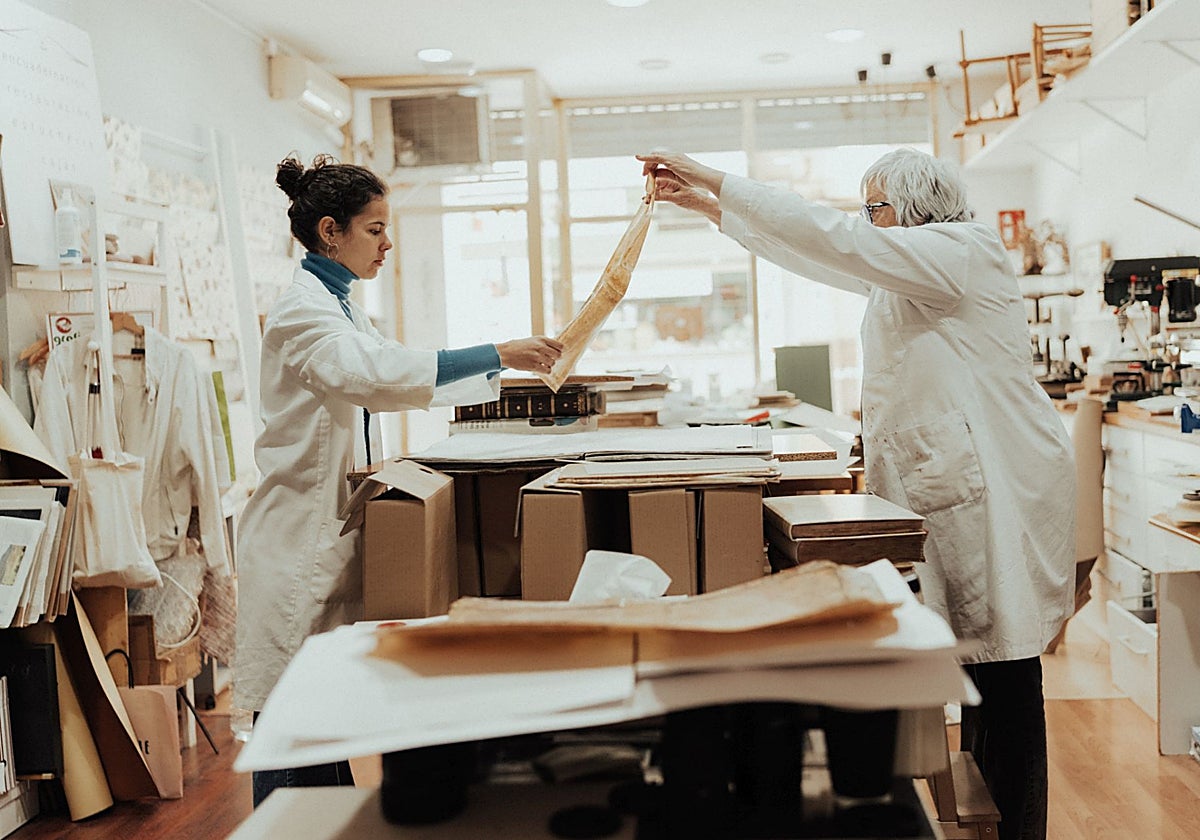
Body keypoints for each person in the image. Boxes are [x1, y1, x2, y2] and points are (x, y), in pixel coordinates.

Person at [638, 148, 1074, 840]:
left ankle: (1020, 831)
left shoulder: (960, 251)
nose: (866, 221)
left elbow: (834, 238)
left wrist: (713, 177)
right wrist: (717, 213)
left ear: (917, 206)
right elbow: (819, 254)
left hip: (992, 489)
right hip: (954, 482)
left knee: (1006, 673)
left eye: (875, 207)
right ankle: (992, 821)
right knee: (980, 667)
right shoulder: (911, 268)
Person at [234, 154, 562, 807]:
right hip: (296, 541)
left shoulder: (339, 308)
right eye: (375, 229)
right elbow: (374, 374)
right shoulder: (303, 313)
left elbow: (384, 374)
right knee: (292, 721)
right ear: (331, 232)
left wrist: (495, 372)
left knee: (321, 716)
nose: (387, 245)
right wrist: (499, 353)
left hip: (325, 533)